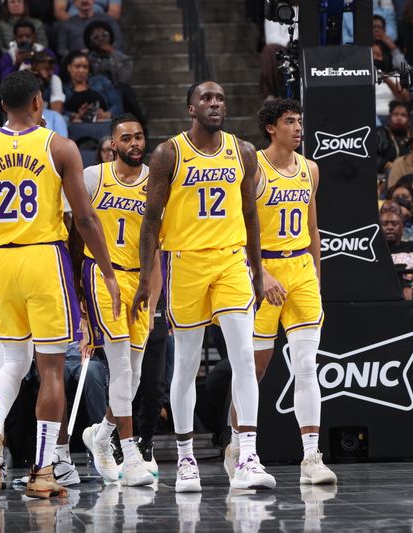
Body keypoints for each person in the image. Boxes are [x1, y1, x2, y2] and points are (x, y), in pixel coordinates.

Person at [0, 71, 119, 498]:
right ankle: (43, 471)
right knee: (50, 370)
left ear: (2, 105)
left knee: (12, 362)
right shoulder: (59, 146)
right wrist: (109, 272)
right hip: (45, 257)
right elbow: (84, 218)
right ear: (40, 102)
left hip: (1, 263)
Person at [131, 80, 274, 492]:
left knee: (244, 356)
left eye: (220, 98)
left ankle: (247, 454)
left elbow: (250, 215)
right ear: (190, 109)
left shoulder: (243, 151)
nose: (215, 104)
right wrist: (145, 277)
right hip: (185, 263)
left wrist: (258, 269)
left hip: (230, 260)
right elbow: (151, 221)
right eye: (206, 99)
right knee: (188, 363)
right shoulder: (168, 153)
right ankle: (186, 459)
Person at [229, 98, 336, 485]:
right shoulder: (253, 167)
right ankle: (239, 445)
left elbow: (313, 230)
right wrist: (259, 273)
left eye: (299, 121)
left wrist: (316, 278)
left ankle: (311, 458)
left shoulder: (311, 169)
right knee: (253, 369)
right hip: (261, 272)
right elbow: (235, 230)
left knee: (307, 366)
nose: (298, 127)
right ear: (271, 128)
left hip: (301, 272)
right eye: (289, 121)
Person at [77, 114, 157, 487]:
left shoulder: (155, 182)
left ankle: (101, 435)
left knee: (135, 374)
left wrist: (154, 299)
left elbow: (156, 248)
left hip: (139, 282)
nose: (135, 143)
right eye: (127, 138)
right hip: (103, 277)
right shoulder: (94, 177)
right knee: (122, 368)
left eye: (139, 137)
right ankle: (131, 451)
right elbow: (76, 233)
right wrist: (79, 295)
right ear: (113, 144)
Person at [383, 204, 413, 299]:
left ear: (402, 226)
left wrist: (410, 288)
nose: (390, 227)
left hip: (409, 296)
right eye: (384, 224)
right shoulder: (373, 250)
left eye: (394, 223)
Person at [57, 0, 123, 59]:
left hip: (104, 61)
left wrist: (106, 51)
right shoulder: (67, 24)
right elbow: (62, 50)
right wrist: (76, 55)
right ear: (74, 3)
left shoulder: (108, 20)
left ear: (94, 1)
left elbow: (118, 43)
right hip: (78, 65)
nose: (85, 1)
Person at [376, 101, 410, 175]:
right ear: (389, 118)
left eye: (403, 115)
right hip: (384, 174)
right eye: (395, 114)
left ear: (409, 120)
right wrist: (387, 165)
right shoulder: (379, 134)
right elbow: (371, 156)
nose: (399, 118)